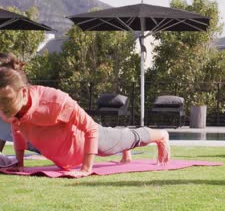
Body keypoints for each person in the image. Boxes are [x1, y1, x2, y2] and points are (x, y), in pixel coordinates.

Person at [0, 53, 170, 177]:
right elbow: (17, 129)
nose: (1, 106)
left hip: (91, 140)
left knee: (128, 139)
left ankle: (161, 135)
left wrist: (87, 168)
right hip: (65, 150)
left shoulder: (54, 101)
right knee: (120, 140)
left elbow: (90, 129)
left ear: (23, 92)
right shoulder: (12, 110)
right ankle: (124, 145)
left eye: (6, 99)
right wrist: (20, 164)